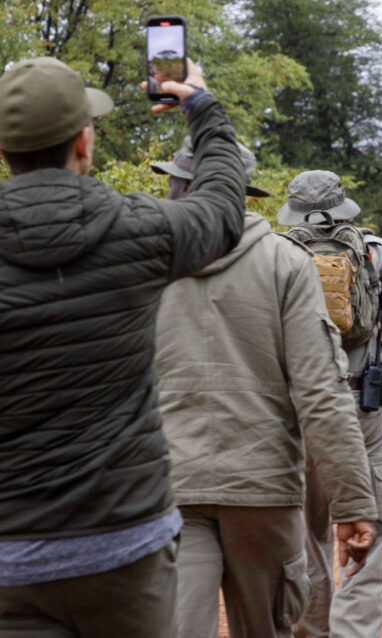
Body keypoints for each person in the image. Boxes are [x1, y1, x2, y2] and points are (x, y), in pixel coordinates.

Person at [0, 57, 246, 637]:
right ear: (83, 141)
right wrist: (201, 106)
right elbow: (221, 209)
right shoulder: (140, 228)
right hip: (125, 543)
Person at [151, 147, 379, 638]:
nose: (169, 191)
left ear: (185, 189)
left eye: (175, 182)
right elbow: (321, 393)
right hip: (263, 489)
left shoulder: (143, 265)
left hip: (171, 487)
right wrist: (353, 504)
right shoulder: (285, 263)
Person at [278, 170, 382, 638]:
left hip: (296, 407)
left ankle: (312, 630)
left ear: (293, 210)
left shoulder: (274, 253)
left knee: (306, 532)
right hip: (358, 401)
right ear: (342, 204)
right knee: (369, 528)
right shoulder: (376, 250)